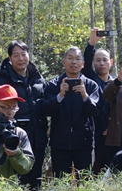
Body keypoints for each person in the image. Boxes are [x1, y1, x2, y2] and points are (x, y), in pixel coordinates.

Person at [0, 40, 47, 188]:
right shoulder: (2, 80)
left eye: (23, 54)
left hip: (37, 137)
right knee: (17, 180)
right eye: (16, 55)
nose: (21, 59)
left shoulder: (37, 78)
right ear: (9, 58)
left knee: (36, 178)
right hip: (14, 137)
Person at [41, 47, 101, 177]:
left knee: (85, 181)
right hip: (60, 142)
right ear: (63, 61)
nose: (74, 62)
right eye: (70, 58)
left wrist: (85, 96)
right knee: (61, 182)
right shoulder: (53, 85)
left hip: (84, 143)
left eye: (77, 59)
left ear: (83, 64)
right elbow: (46, 110)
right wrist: (60, 96)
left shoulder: (91, 86)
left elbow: (95, 111)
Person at [82, 29, 116, 172]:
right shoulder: (89, 80)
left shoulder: (117, 83)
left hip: (113, 135)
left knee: (111, 171)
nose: (102, 63)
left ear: (111, 62)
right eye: (98, 60)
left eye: (105, 60)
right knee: (92, 171)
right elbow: (87, 59)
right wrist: (91, 44)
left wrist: (113, 128)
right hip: (93, 134)